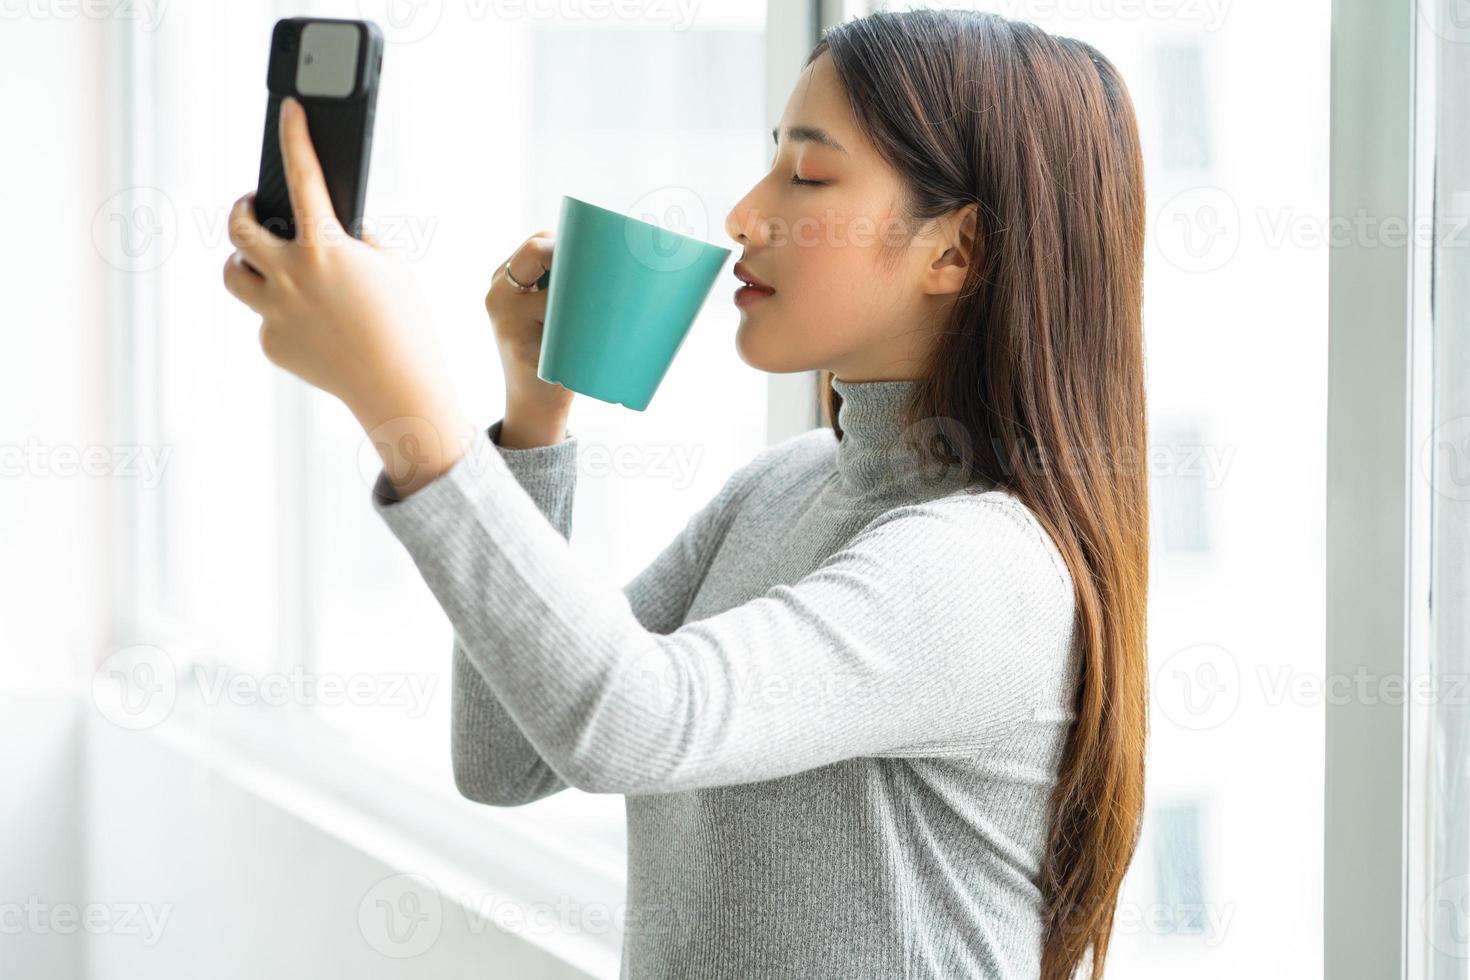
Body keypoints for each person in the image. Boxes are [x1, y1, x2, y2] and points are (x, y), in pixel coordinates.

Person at [221, 9, 1149, 978]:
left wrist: (400, 401)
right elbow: (508, 758)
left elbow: (635, 720)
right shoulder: (783, 486)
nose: (745, 214)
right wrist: (531, 424)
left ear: (955, 252)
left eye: (809, 173)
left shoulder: (982, 565)